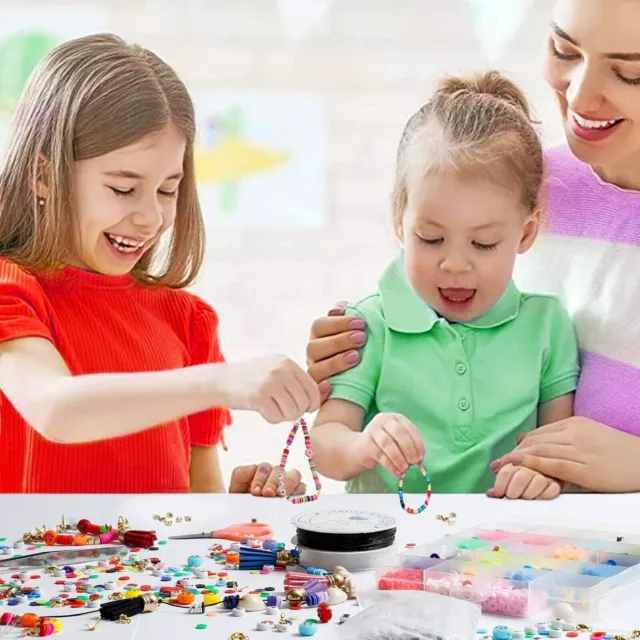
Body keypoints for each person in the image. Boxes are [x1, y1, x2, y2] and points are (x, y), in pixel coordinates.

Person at [307, 0, 640, 495]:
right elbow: (331, 437)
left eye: (629, 73)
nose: (582, 95)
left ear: (524, 232)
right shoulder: (516, 175)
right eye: (564, 50)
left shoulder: (545, 324)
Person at [0, 33, 320, 494]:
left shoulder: (187, 321)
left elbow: (195, 508)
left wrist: (241, 509)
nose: (151, 216)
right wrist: (220, 381)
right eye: (123, 189)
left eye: (167, 190)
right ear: (43, 176)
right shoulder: (12, 293)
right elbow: (55, 409)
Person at [310, 70, 579, 500]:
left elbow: (558, 449)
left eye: (484, 243)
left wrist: (545, 475)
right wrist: (364, 444)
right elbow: (324, 443)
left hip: (502, 545)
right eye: (431, 239)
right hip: (388, 542)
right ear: (401, 219)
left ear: (526, 233)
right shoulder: (368, 324)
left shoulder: (547, 325)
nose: (454, 264)